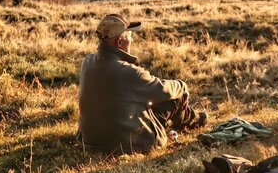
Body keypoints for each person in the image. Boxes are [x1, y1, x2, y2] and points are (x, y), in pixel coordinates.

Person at [77, 13, 208, 154]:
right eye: (130, 37)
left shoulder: (87, 62)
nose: (132, 40)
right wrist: (182, 85)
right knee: (176, 96)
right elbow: (164, 90)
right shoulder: (130, 73)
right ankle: (193, 120)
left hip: (89, 143)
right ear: (119, 42)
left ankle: (190, 118)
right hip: (129, 145)